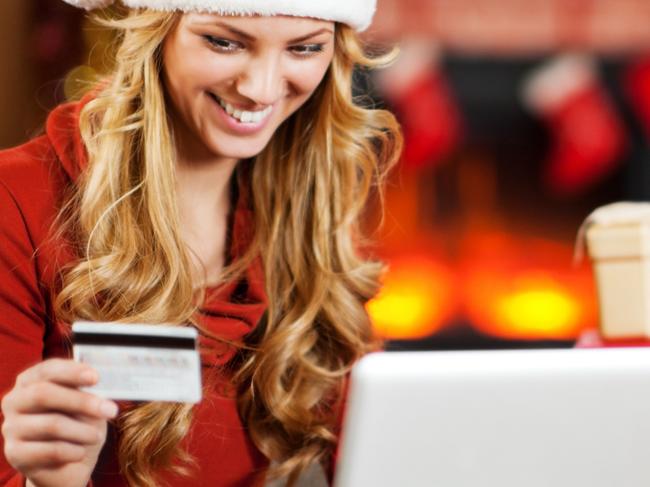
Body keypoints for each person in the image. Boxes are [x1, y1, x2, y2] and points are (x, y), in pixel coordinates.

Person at [0, 1, 402, 486]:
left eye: (304, 48)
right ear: (155, 33)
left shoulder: (310, 209)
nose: (260, 89)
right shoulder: (16, 201)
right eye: (223, 42)